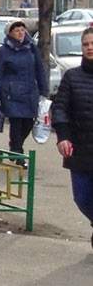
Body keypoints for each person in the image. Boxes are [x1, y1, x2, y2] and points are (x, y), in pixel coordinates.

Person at [50, 24, 93, 250]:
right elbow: (59, 108)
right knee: (83, 197)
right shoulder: (72, 77)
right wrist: (63, 137)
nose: (89, 48)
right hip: (79, 149)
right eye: (86, 44)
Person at [0, 21, 46, 155]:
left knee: (28, 124)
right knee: (16, 124)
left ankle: (15, 146)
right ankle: (18, 154)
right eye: (17, 30)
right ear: (10, 33)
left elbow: (40, 70)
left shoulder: (31, 48)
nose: (20, 33)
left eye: (23, 30)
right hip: (12, 94)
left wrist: (43, 90)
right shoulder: (3, 51)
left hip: (29, 93)